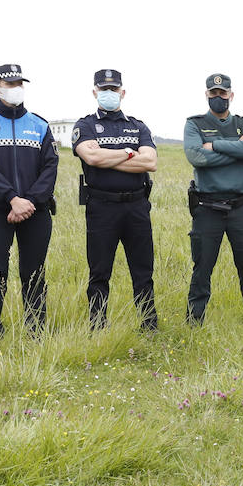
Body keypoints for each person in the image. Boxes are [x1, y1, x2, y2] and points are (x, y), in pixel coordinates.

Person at [0, 63, 59, 342]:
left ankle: (35, 333)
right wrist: (12, 199)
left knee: (34, 273)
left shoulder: (40, 125)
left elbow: (50, 167)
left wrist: (28, 201)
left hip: (35, 210)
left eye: (19, 83)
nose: (16, 89)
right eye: (9, 84)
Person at [72, 69, 158, 330]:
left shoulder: (138, 125)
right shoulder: (85, 125)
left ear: (123, 92)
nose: (109, 94)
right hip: (101, 207)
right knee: (99, 272)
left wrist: (111, 156)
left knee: (143, 271)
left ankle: (148, 324)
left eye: (113, 89)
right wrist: (131, 153)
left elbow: (151, 162)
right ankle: (97, 326)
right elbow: (92, 159)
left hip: (137, 206)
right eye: (103, 89)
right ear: (95, 92)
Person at [182, 73, 243, 326]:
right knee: (202, 269)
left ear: (231, 94)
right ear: (206, 95)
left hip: (240, 208)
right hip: (207, 208)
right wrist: (235, 148)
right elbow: (196, 157)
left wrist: (214, 145)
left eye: (223, 93)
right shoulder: (194, 124)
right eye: (213, 93)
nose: (218, 97)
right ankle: (194, 323)